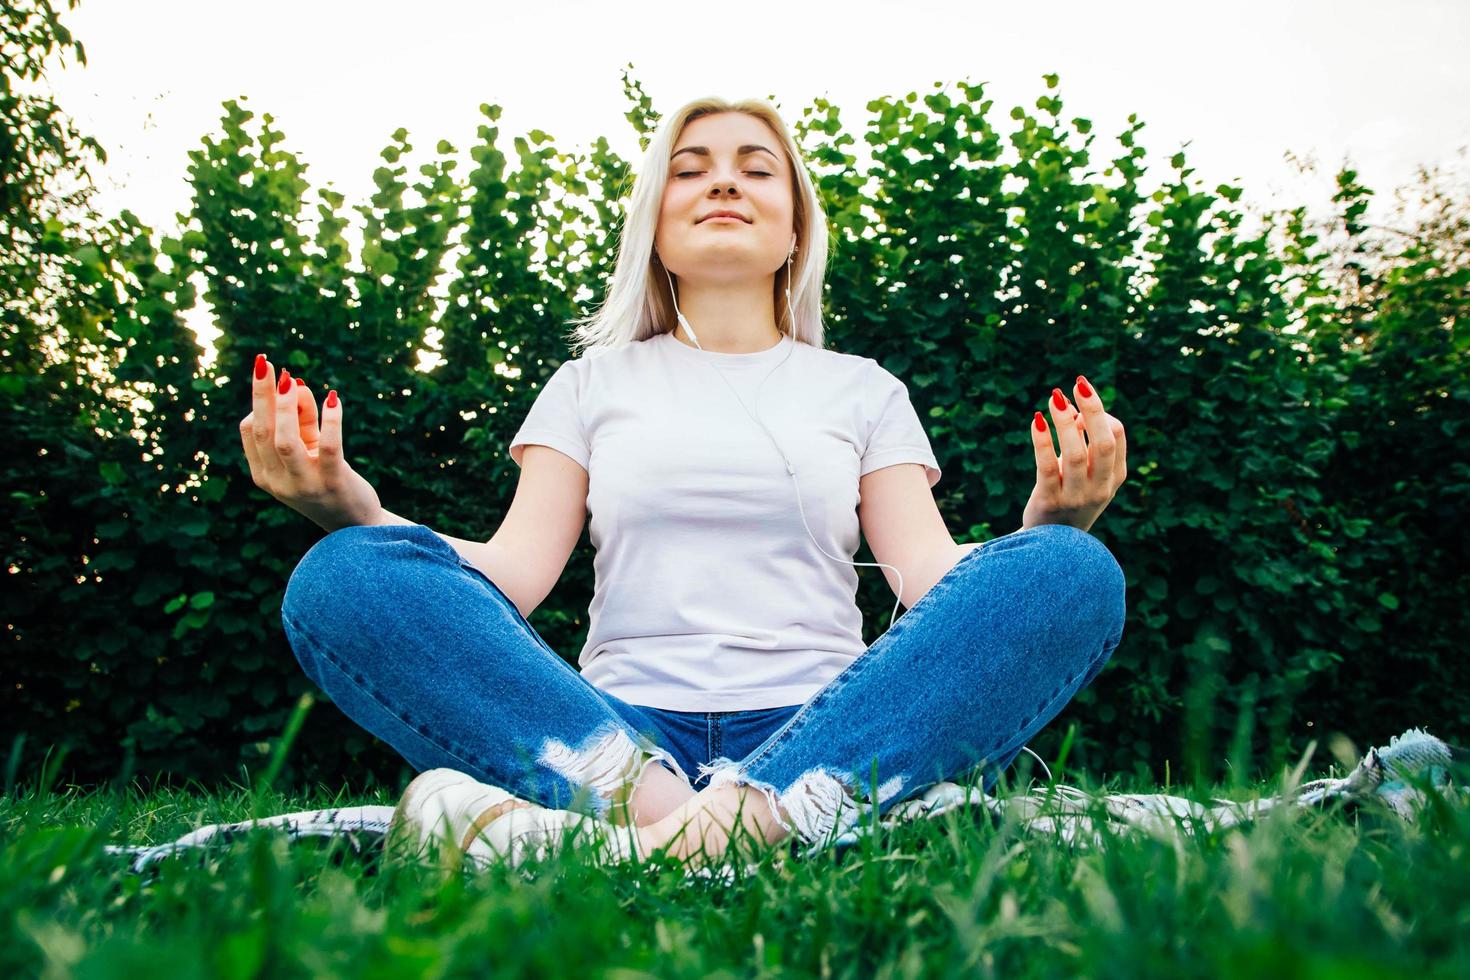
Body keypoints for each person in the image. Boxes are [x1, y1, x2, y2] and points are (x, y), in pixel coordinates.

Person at [239, 96, 1130, 873]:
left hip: (823, 725)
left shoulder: (864, 390)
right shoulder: (592, 384)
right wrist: (349, 510)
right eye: (690, 169)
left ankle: (701, 827)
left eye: (757, 169)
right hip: (619, 738)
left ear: (794, 229)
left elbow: (928, 581)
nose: (725, 184)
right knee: (346, 574)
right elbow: (508, 576)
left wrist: (1047, 525)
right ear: (656, 227)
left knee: (1067, 570)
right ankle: (717, 825)